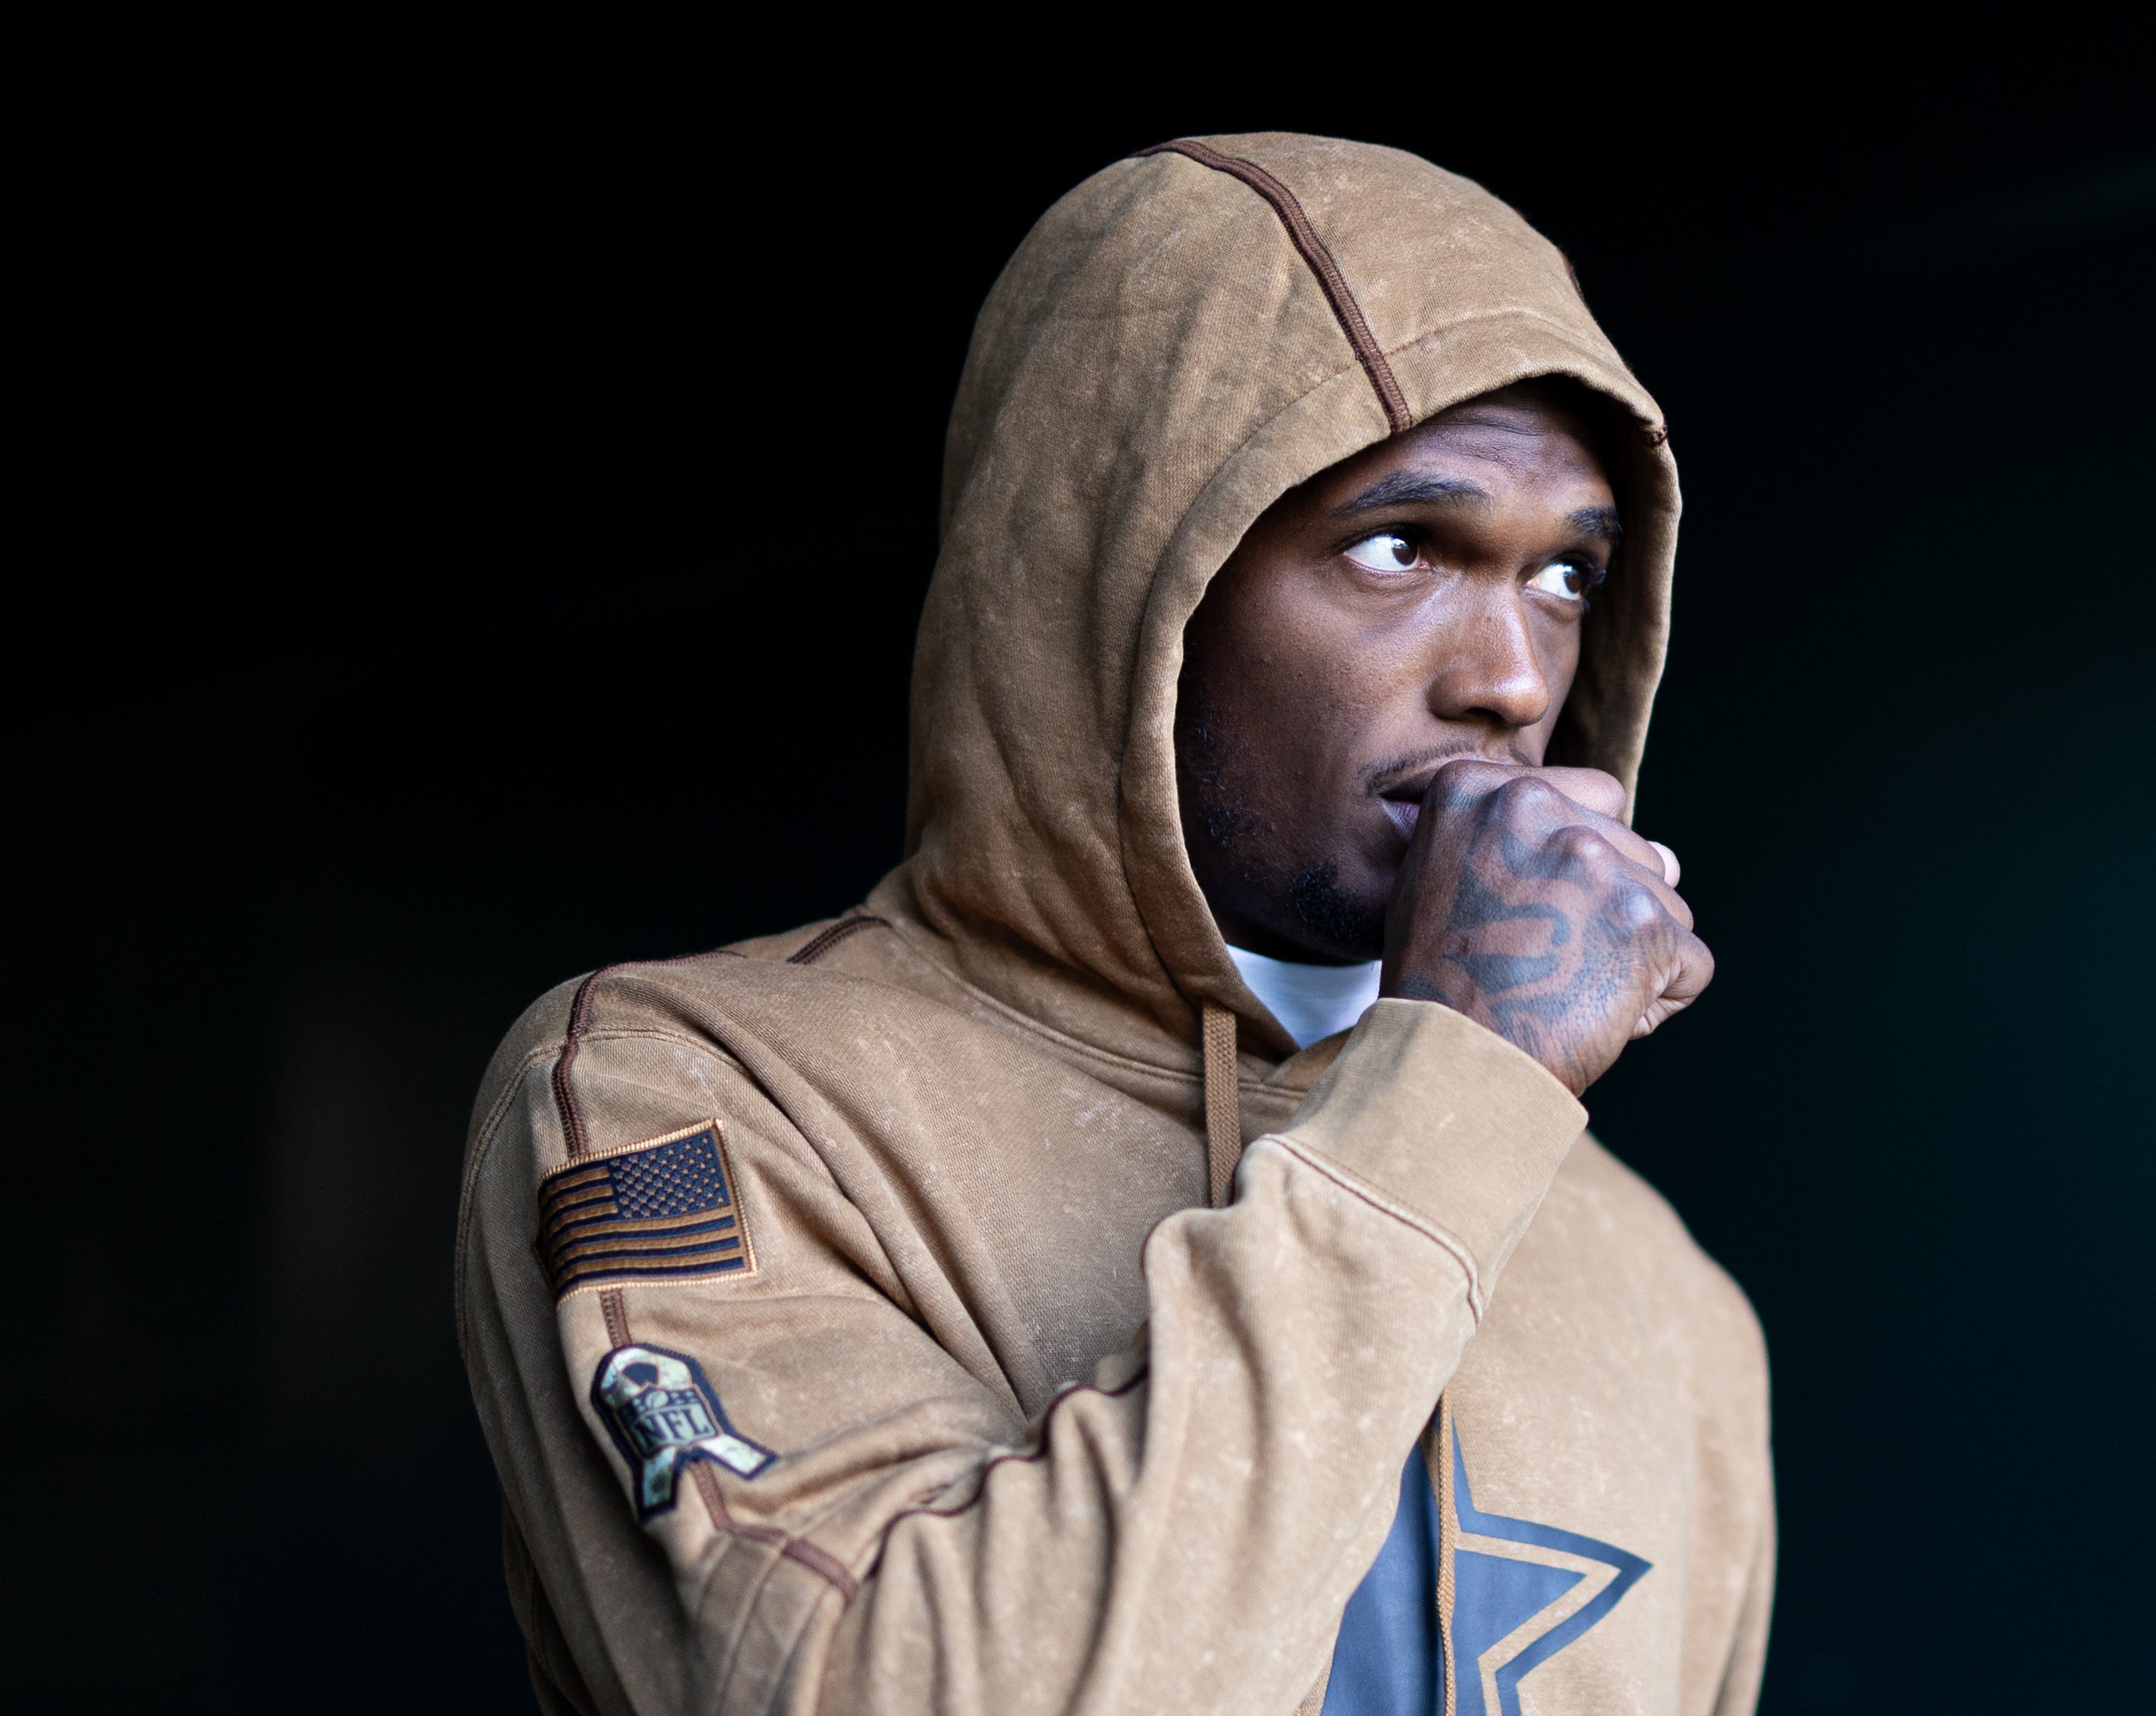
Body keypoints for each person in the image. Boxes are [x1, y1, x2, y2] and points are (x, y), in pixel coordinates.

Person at [457, 132, 1773, 1716]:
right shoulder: (687, 1098)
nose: (1507, 678)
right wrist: (1461, 1086)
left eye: (1568, 576)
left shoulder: (1667, 1294)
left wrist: (1468, 1104)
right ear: (1123, 579)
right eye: (1399, 547)